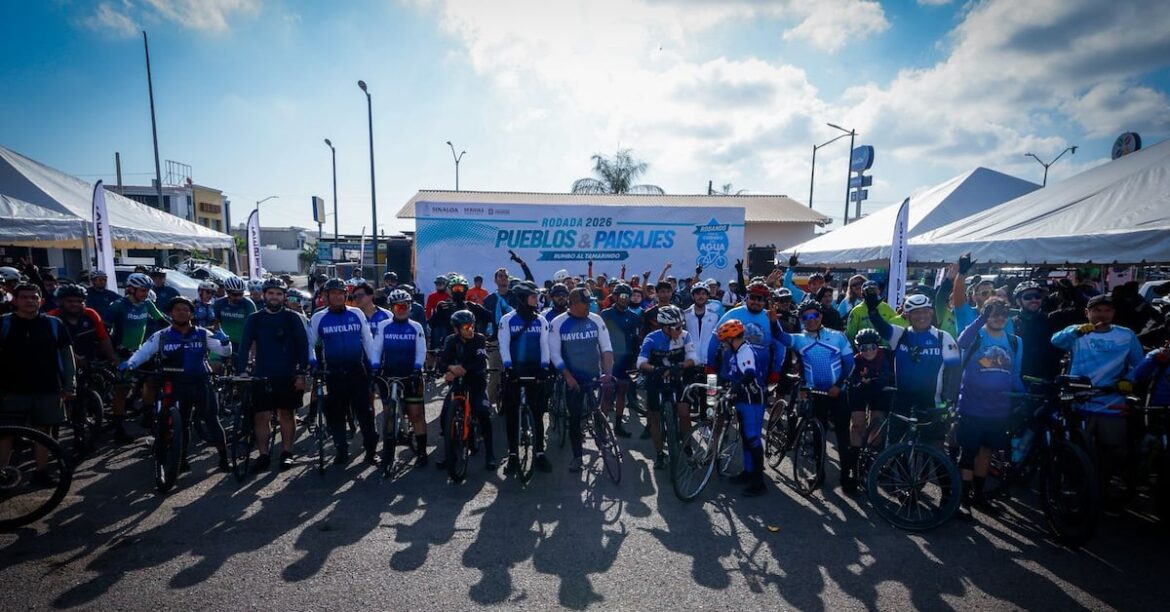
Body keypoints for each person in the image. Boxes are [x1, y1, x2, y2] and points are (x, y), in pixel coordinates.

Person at [1051, 293, 1144, 510]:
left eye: (1107, 310)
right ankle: (1075, 489)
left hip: (1111, 399)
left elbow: (1139, 363)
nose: (1102, 314)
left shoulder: (1126, 335)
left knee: (1111, 452)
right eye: (1097, 310)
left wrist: (1128, 380)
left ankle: (1102, 491)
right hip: (1079, 399)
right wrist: (1074, 331)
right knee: (1077, 450)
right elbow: (1055, 341)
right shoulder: (1078, 332)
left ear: (1113, 313)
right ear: (1087, 312)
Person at [122, 296, 231, 473]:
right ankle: (181, 459)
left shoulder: (203, 333)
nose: (182, 312)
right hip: (174, 383)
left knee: (212, 420)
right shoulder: (162, 335)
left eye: (186, 310)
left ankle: (224, 459)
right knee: (182, 422)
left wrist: (226, 343)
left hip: (200, 382)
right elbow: (145, 351)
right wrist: (131, 363)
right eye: (178, 309)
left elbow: (223, 351)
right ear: (170, 313)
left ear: (191, 314)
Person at [772, 300, 856, 490]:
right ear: (801, 320)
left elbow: (850, 365)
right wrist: (772, 322)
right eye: (806, 317)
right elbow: (780, 337)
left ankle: (846, 476)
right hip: (816, 393)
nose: (811, 320)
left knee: (843, 438)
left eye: (814, 316)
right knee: (818, 437)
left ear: (821, 317)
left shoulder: (838, 337)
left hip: (838, 393)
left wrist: (839, 385)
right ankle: (818, 475)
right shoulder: (800, 338)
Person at [954, 298, 1024, 518]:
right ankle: (963, 499)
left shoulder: (1015, 341)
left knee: (986, 451)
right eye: (994, 314)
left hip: (998, 410)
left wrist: (1023, 396)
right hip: (971, 406)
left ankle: (978, 494)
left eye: (1003, 314)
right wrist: (981, 318)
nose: (999, 318)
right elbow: (961, 342)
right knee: (968, 453)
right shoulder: (977, 335)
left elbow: (1015, 374)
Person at [0, 283, 76, 484]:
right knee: (5, 435)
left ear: (41, 301)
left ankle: (41, 473)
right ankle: (2, 476)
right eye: (24, 297)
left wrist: (70, 385)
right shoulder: (4, 324)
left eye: (34, 297)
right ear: (14, 301)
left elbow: (67, 357)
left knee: (45, 433)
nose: (29, 301)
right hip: (11, 390)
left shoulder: (54, 324)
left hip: (48, 388)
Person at [867, 292, 961, 443]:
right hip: (902, 400)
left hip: (931, 402)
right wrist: (872, 310)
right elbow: (881, 327)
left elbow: (955, 372)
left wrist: (949, 400)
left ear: (931, 312)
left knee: (932, 449)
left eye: (925, 311)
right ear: (907, 315)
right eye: (916, 312)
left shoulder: (943, 337)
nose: (921, 316)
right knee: (894, 448)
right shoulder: (900, 334)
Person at [237, 278, 309, 471]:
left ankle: (286, 452)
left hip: (287, 374)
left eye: (279, 293)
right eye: (271, 293)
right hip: (262, 373)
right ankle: (263, 455)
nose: (275, 297)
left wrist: (301, 373)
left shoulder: (292, 318)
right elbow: (244, 347)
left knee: (287, 413)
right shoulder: (255, 318)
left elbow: (303, 346)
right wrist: (242, 371)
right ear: (264, 295)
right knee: (261, 416)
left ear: (284, 296)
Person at [307, 278, 381, 466]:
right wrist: (314, 363)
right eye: (334, 294)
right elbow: (310, 343)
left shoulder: (356, 313)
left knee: (365, 413)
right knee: (336, 415)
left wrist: (374, 365)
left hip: (357, 371)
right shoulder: (318, 317)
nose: (338, 297)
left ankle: (371, 451)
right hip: (333, 373)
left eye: (341, 293)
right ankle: (341, 450)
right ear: (326, 297)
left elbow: (368, 340)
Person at [549, 288, 614, 472]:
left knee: (597, 410)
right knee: (575, 418)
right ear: (574, 304)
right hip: (573, 378)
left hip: (594, 374)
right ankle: (577, 456)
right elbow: (554, 353)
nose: (590, 306)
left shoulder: (596, 319)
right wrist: (567, 377)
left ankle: (602, 434)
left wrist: (608, 373)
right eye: (586, 303)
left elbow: (606, 348)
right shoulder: (558, 322)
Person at [103, 272, 168, 442]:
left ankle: (147, 414)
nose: (146, 294)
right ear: (131, 289)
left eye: (147, 290)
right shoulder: (117, 306)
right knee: (122, 390)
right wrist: (117, 349)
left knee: (151, 381)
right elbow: (104, 331)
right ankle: (118, 427)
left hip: (139, 350)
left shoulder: (147, 304)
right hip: (122, 352)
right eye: (142, 290)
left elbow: (163, 322)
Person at [498, 281, 552, 474]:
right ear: (522, 299)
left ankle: (539, 453)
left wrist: (545, 367)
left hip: (535, 370)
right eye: (533, 297)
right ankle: (512, 455)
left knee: (537, 414)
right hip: (514, 370)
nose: (536, 300)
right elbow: (503, 345)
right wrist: (507, 366)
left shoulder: (541, 320)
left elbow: (545, 346)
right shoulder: (507, 320)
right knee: (512, 414)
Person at [370, 289, 429, 467]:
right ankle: (388, 454)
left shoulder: (416, 327)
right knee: (388, 413)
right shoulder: (384, 326)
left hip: (410, 373)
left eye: (405, 305)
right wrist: (374, 367)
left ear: (410, 307)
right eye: (398, 306)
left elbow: (421, 350)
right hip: (389, 374)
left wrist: (418, 368)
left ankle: (422, 452)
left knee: (416, 414)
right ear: (392, 307)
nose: (402, 309)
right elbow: (376, 348)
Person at [437, 309, 498, 471]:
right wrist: (450, 368)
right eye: (465, 327)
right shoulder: (450, 341)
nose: (470, 329)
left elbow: (480, 363)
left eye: (471, 325)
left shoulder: (479, 339)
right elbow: (441, 363)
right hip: (457, 384)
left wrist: (461, 369)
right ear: (456, 329)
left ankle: (490, 454)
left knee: (483, 412)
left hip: (476, 383)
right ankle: (449, 453)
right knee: (445, 415)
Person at [637, 305, 697, 469]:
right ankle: (659, 455)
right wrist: (655, 369)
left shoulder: (685, 336)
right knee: (654, 416)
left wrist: (681, 366)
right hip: (656, 378)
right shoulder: (651, 339)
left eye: (682, 325)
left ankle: (688, 449)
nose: (681, 329)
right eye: (677, 327)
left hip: (677, 377)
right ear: (665, 327)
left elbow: (693, 358)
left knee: (684, 413)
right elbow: (640, 362)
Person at [714, 320, 769, 496]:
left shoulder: (745, 352)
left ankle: (759, 483)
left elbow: (749, 374)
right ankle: (748, 472)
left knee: (753, 439)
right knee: (746, 438)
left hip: (753, 401)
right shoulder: (735, 351)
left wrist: (732, 390)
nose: (723, 344)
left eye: (725, 341)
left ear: (732, 339)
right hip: (742, 399)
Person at [601, 283, 642, 438]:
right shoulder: (605, 314)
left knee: (622, 393)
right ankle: (602, 426)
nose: (626, 300)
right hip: (609, 359)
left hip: (626, 358)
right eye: (623, 296)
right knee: (607, 393)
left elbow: (636, 340)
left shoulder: (633, 316)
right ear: (616, 297)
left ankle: (618, 425)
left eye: (628, 296)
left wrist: (635, 361)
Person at [847, 327, 892, 465]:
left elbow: (892, 375)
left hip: (880, 390)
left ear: (878, 346)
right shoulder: (855, 360)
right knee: (857, 425)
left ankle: (871, 456)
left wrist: (878, 379)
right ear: (858, 348)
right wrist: (860, 382)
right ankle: (854, 461)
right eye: (863, 348)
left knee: (878, 424)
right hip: (860, 391)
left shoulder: (887, 355)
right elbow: (850, 379)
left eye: (872, 347)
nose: (868, 351)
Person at [47, 284, 117, 367]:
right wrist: (73, 358)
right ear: (60, 302)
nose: (75, 304)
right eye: (70, 301)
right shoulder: (51, 318)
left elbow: (104, 339)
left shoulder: (91, 314)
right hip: (59, 364)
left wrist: (113, 360)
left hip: (90, 363)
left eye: (80, 301)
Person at [1011, 281, 1061, 381]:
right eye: (1028, 297)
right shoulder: (1011, 323)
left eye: (1037, 296)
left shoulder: (1052, 320)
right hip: (1018, 378)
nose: (1034, 300)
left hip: (1048, 379)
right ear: (1018, 301)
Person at [213, 276, 258, 364]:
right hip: (222, 341)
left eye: (241, 294)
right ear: (227, 292)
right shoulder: (219, 303)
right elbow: (216, 323)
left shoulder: (249, 305)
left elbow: (254, 329)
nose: (238, 297)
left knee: (241, 373)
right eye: (234, 294)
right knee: (214, 366)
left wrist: (253, 353)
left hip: (241, 343)